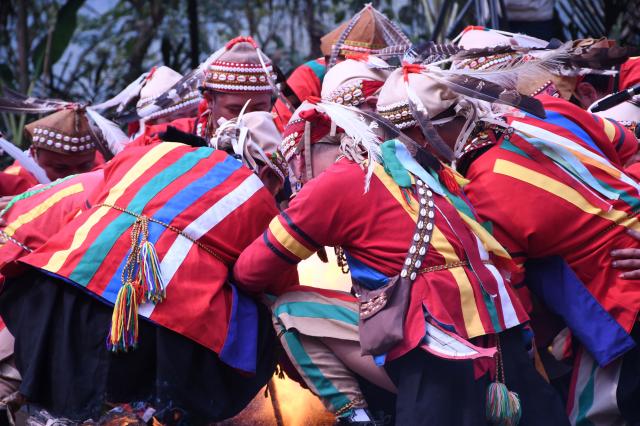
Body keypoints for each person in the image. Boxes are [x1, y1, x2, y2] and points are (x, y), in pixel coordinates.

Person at [234, 99, 567, 425]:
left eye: (294, 172)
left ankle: (356, 417)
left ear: (304, 156)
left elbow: (250, 270)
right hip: (501, 324)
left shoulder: (334, 183)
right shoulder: (410, 165)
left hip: (432, 330)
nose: (297, 185)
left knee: (289, 310)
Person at [375, 56, 639, 425]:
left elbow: (517, 299)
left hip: (623, 307)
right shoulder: (549, 110)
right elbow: (631, 147)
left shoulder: (481, 195)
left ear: (421, 135)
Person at [0, 111, 287, 425]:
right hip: (150, 335)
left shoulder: (144, 154)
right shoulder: (260, 200)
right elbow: (274, 290)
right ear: (270, 175)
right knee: (266, 317)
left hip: (47, 300)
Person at [272, 4, 410, 130]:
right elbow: (282, 128)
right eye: (349, 61)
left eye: (371, 64)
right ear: (330, 56)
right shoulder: (309, 74)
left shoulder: (391, 76)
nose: (355, 69)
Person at [129, 36, 277, 148]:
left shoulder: (285, 139)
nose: (247, 119)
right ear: (210, 100)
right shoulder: (160, 138)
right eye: (235, 109)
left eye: (259, 108)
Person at [1, 107, 99, 197]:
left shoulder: (99, 161)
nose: (74, 177)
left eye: (84, 166)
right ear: (34, 153)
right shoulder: (12, 181)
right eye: (60, 168)